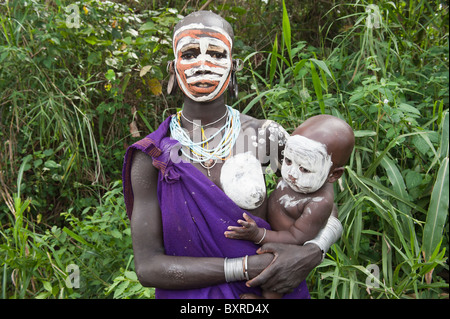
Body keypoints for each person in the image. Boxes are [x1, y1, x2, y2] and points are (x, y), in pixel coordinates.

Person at [122, 10, 343, 299]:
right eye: (189, 54)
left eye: (216, 54)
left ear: (233, 66)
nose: (203, 64)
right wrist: (245, 267)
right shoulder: (152, 157)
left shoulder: (266, 137)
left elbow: (323, 202)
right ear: (173, 68)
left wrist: (312, 252)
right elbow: (148, 268)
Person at [224, 114, 355, 298]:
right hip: (267, 235)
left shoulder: (318, 202)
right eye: (287, 161)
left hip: (282, 249)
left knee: (274, 283)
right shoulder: (299, 178)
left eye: (304, 169)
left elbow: (295, 238)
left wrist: (259, 235)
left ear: (333, 175)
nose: (292, 173)